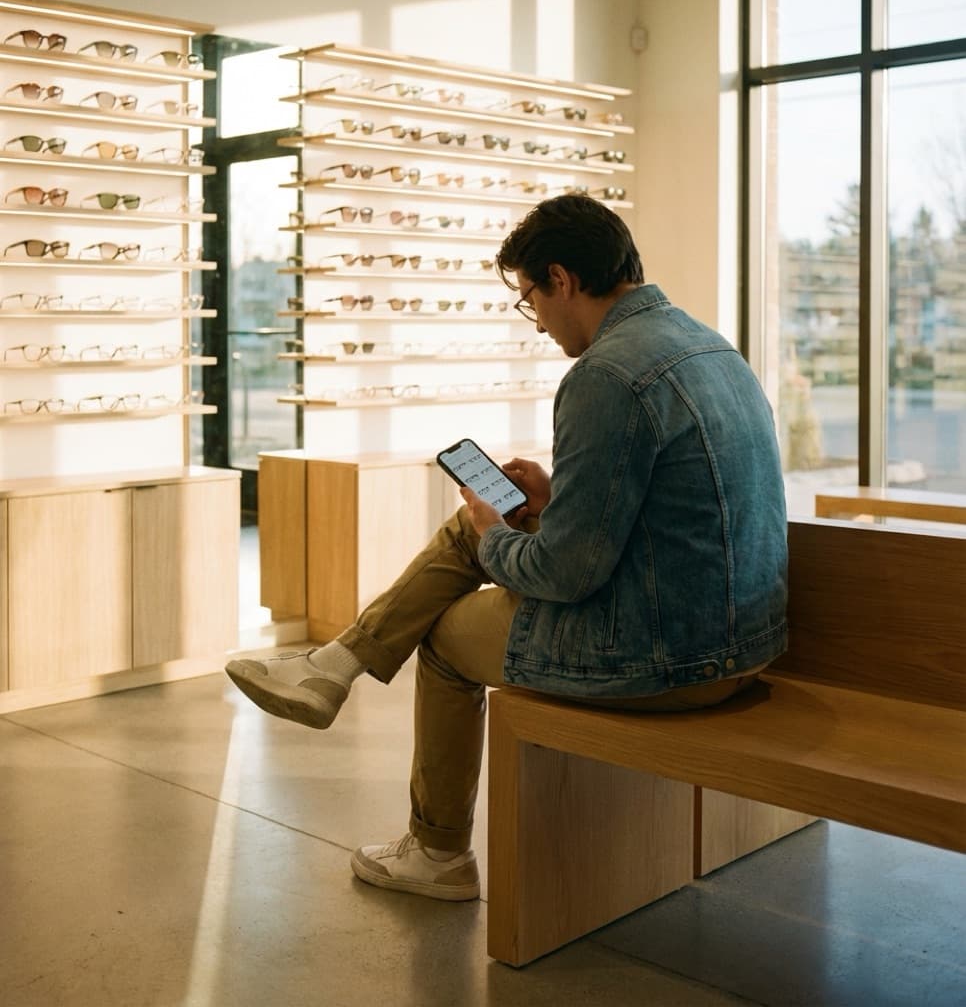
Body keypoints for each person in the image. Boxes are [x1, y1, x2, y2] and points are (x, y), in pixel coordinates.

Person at [226, 193, 788, 903]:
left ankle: (434, 848)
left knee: (446, 635)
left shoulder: (606, 375)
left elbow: (567, 571)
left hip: (671, 655)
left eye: (529, 298)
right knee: (480, 528)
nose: (538, 322)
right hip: (743, 634)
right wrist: (554, 499)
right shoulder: (710, 347)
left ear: (560, 279)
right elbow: (669, 510)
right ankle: (334, 666)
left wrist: (496, 534)